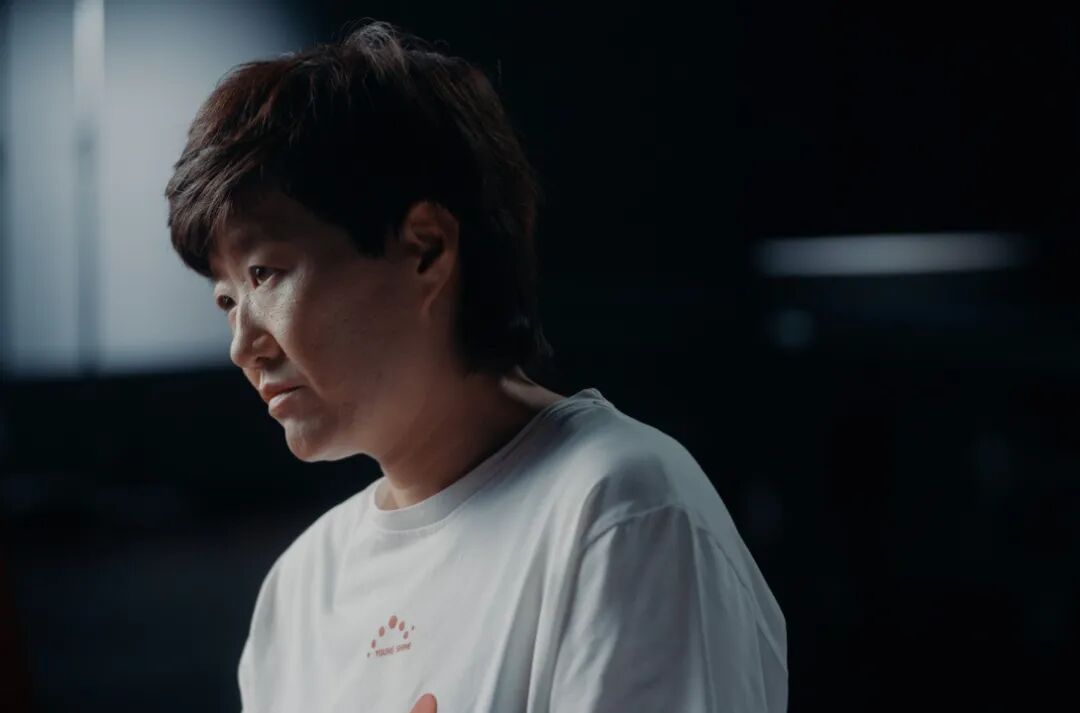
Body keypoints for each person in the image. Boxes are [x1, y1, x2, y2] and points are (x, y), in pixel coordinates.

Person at [164, 19, 787, 713]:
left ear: (426, 249)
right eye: (227, 299)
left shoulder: (620, 509)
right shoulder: (301, 587)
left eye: (265, 273)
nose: (243, 343)